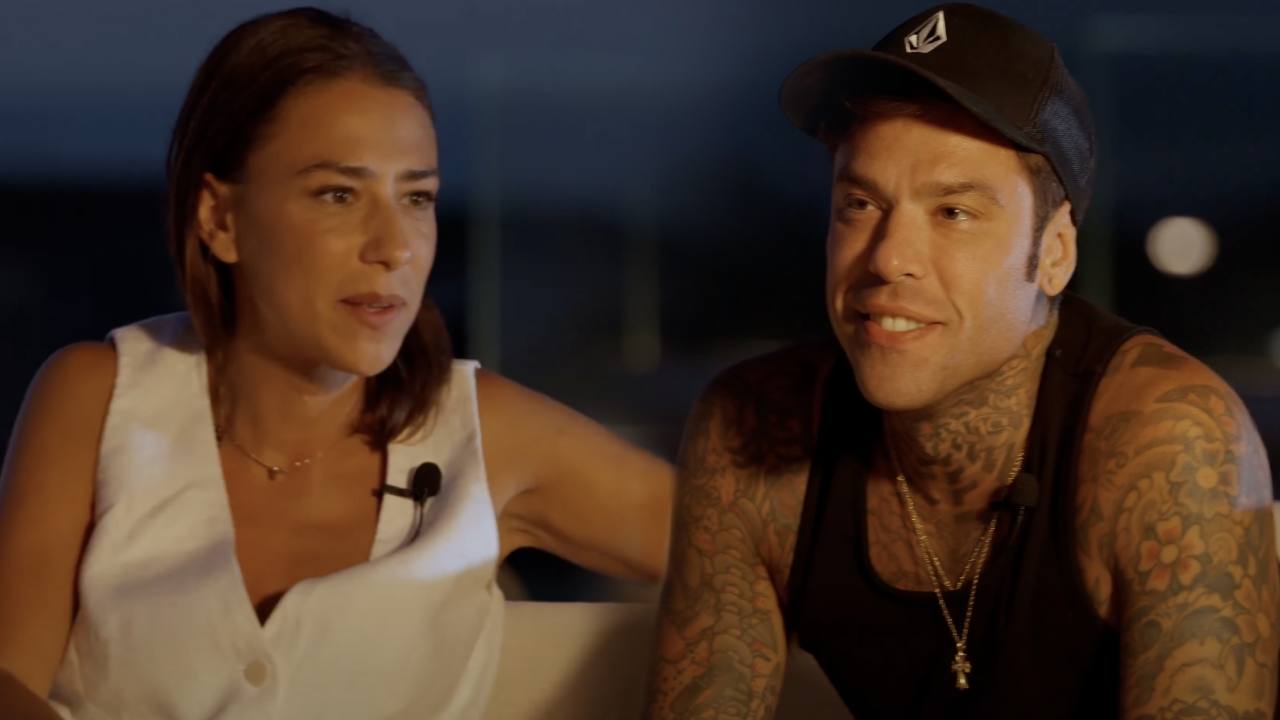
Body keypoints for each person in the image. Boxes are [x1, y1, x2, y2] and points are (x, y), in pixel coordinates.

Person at [0, 8, 672, 719]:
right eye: (339, 195)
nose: (394, 246)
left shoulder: (489, 435)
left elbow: (743, 545)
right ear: (219, 220)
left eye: (417, 197)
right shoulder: (97, 398)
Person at [646, 4, 1277, 719]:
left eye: (953, 212)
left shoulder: (1170, 439)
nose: (888, 258)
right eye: (860, 204)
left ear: (1054, 253)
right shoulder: (755, 425)